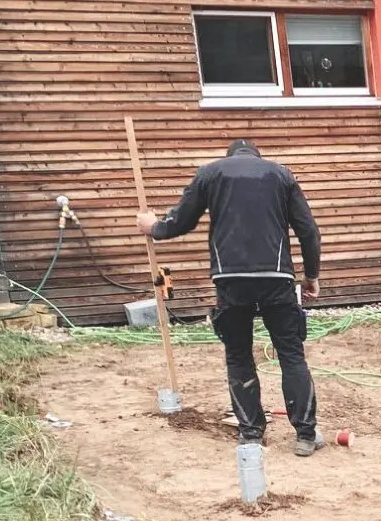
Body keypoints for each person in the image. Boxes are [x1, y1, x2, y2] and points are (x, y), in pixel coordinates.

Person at [136, 140, 327, 455]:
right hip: (276, 277)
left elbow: (182, 221)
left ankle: (251, 433)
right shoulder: (282, 175)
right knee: (291, 354)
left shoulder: (210, 174)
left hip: (230, 279)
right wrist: (312, 276)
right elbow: (309, 231)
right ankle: (305, 434)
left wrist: (153, 227)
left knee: (238, 355)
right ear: (257, 156)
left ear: (230, 156)